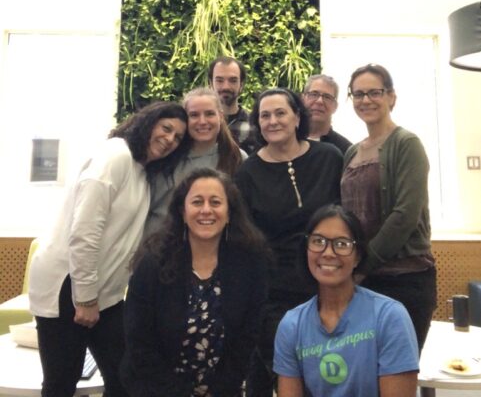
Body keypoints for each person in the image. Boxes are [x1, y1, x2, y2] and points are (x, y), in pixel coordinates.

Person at [28, 101, 189, 397]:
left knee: (126, 377)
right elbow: (85, 231)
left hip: (106, 294)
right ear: (148, 123)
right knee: (62, 381)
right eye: (166, 128)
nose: (169, 140)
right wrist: (86, 297)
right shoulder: (115, 155)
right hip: (69, 284)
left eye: (178, 137)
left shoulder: (140, 170)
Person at [121, 167, 268, 397]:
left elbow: (247, 340)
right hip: (156, 389)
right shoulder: (151, 264)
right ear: (182, 211)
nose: (206, 210)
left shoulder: (251, 264)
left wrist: (217, 391)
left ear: (229, 213)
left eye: (216, 202)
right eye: (197, 202)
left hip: (221, 391)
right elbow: (139, 342)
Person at [235, 87, 343, 397]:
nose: (272, 121)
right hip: (274, 295)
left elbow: (345, 221)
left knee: (328, 378)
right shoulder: (248, 172)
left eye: (280, 113)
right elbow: (245, 241)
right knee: (290, 378)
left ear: (297, 117)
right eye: (264, 115)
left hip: (327, 288)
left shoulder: (329, 158)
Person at [274, 204, 419, 397]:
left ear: (358, 256)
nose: (328, 252)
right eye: (318, 241)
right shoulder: (291, 325)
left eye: (342, 244)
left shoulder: (389, 317)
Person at [341, 63, 436, 351]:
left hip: (404, 280)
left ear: (391, 97)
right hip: (363, 281)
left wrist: (361, 266)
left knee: (397, 377)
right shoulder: (351, 151)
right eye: (358, 94)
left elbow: (404, 215)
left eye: (374, 92)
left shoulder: (407, 144)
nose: (365, 100)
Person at [145, 87, 245, 236]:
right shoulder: (167, 154)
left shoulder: (237, 158)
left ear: (221, 117)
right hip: (158, 248)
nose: (202, 121)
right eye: (194, 115)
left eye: (209, 114)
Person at [208, 56, 257, 154]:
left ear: (241, 85)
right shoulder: (200, 124)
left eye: (233, 80)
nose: (226, 86)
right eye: (219, 80)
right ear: (210, 84)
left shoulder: (254, 126)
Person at [302, 74, 352, 154]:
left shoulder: (345, 150)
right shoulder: (288, 141)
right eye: (314, 94)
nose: (319, 101)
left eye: (327, 97)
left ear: (335, 106)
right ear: (303, 99)